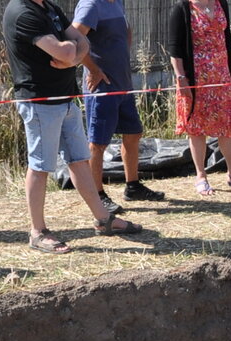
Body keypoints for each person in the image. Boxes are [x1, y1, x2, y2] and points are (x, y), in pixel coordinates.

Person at [5, 0, 143, 254]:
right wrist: (72, 53)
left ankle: (104, 220)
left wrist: (71, 54)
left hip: (66, 99)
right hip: (40, 102)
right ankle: (37, 232)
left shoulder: (50, 8)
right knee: (40, 166)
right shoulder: (23, 12)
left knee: (79, 160)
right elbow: (70, 50)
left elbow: (82, 43)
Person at [73, 0, 166, 212]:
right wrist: (94, 69)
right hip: (102, 87)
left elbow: (126, 31)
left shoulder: (117, 2)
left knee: (133, 133)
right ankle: (98, 195)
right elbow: (74, 38)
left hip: (123, 83)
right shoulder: (90, 5)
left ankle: (132, 187)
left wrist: (122, 54)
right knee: (97, 144)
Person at [168, 0, 231, 194]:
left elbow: (227, 40)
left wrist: (230, 76)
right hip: (196, 79)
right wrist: (181, 78)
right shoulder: (182, 8)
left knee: (227, 125)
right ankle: (201, 176)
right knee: (197, 127)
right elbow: (175, 49)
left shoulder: (221, 4)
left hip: (221, 77)